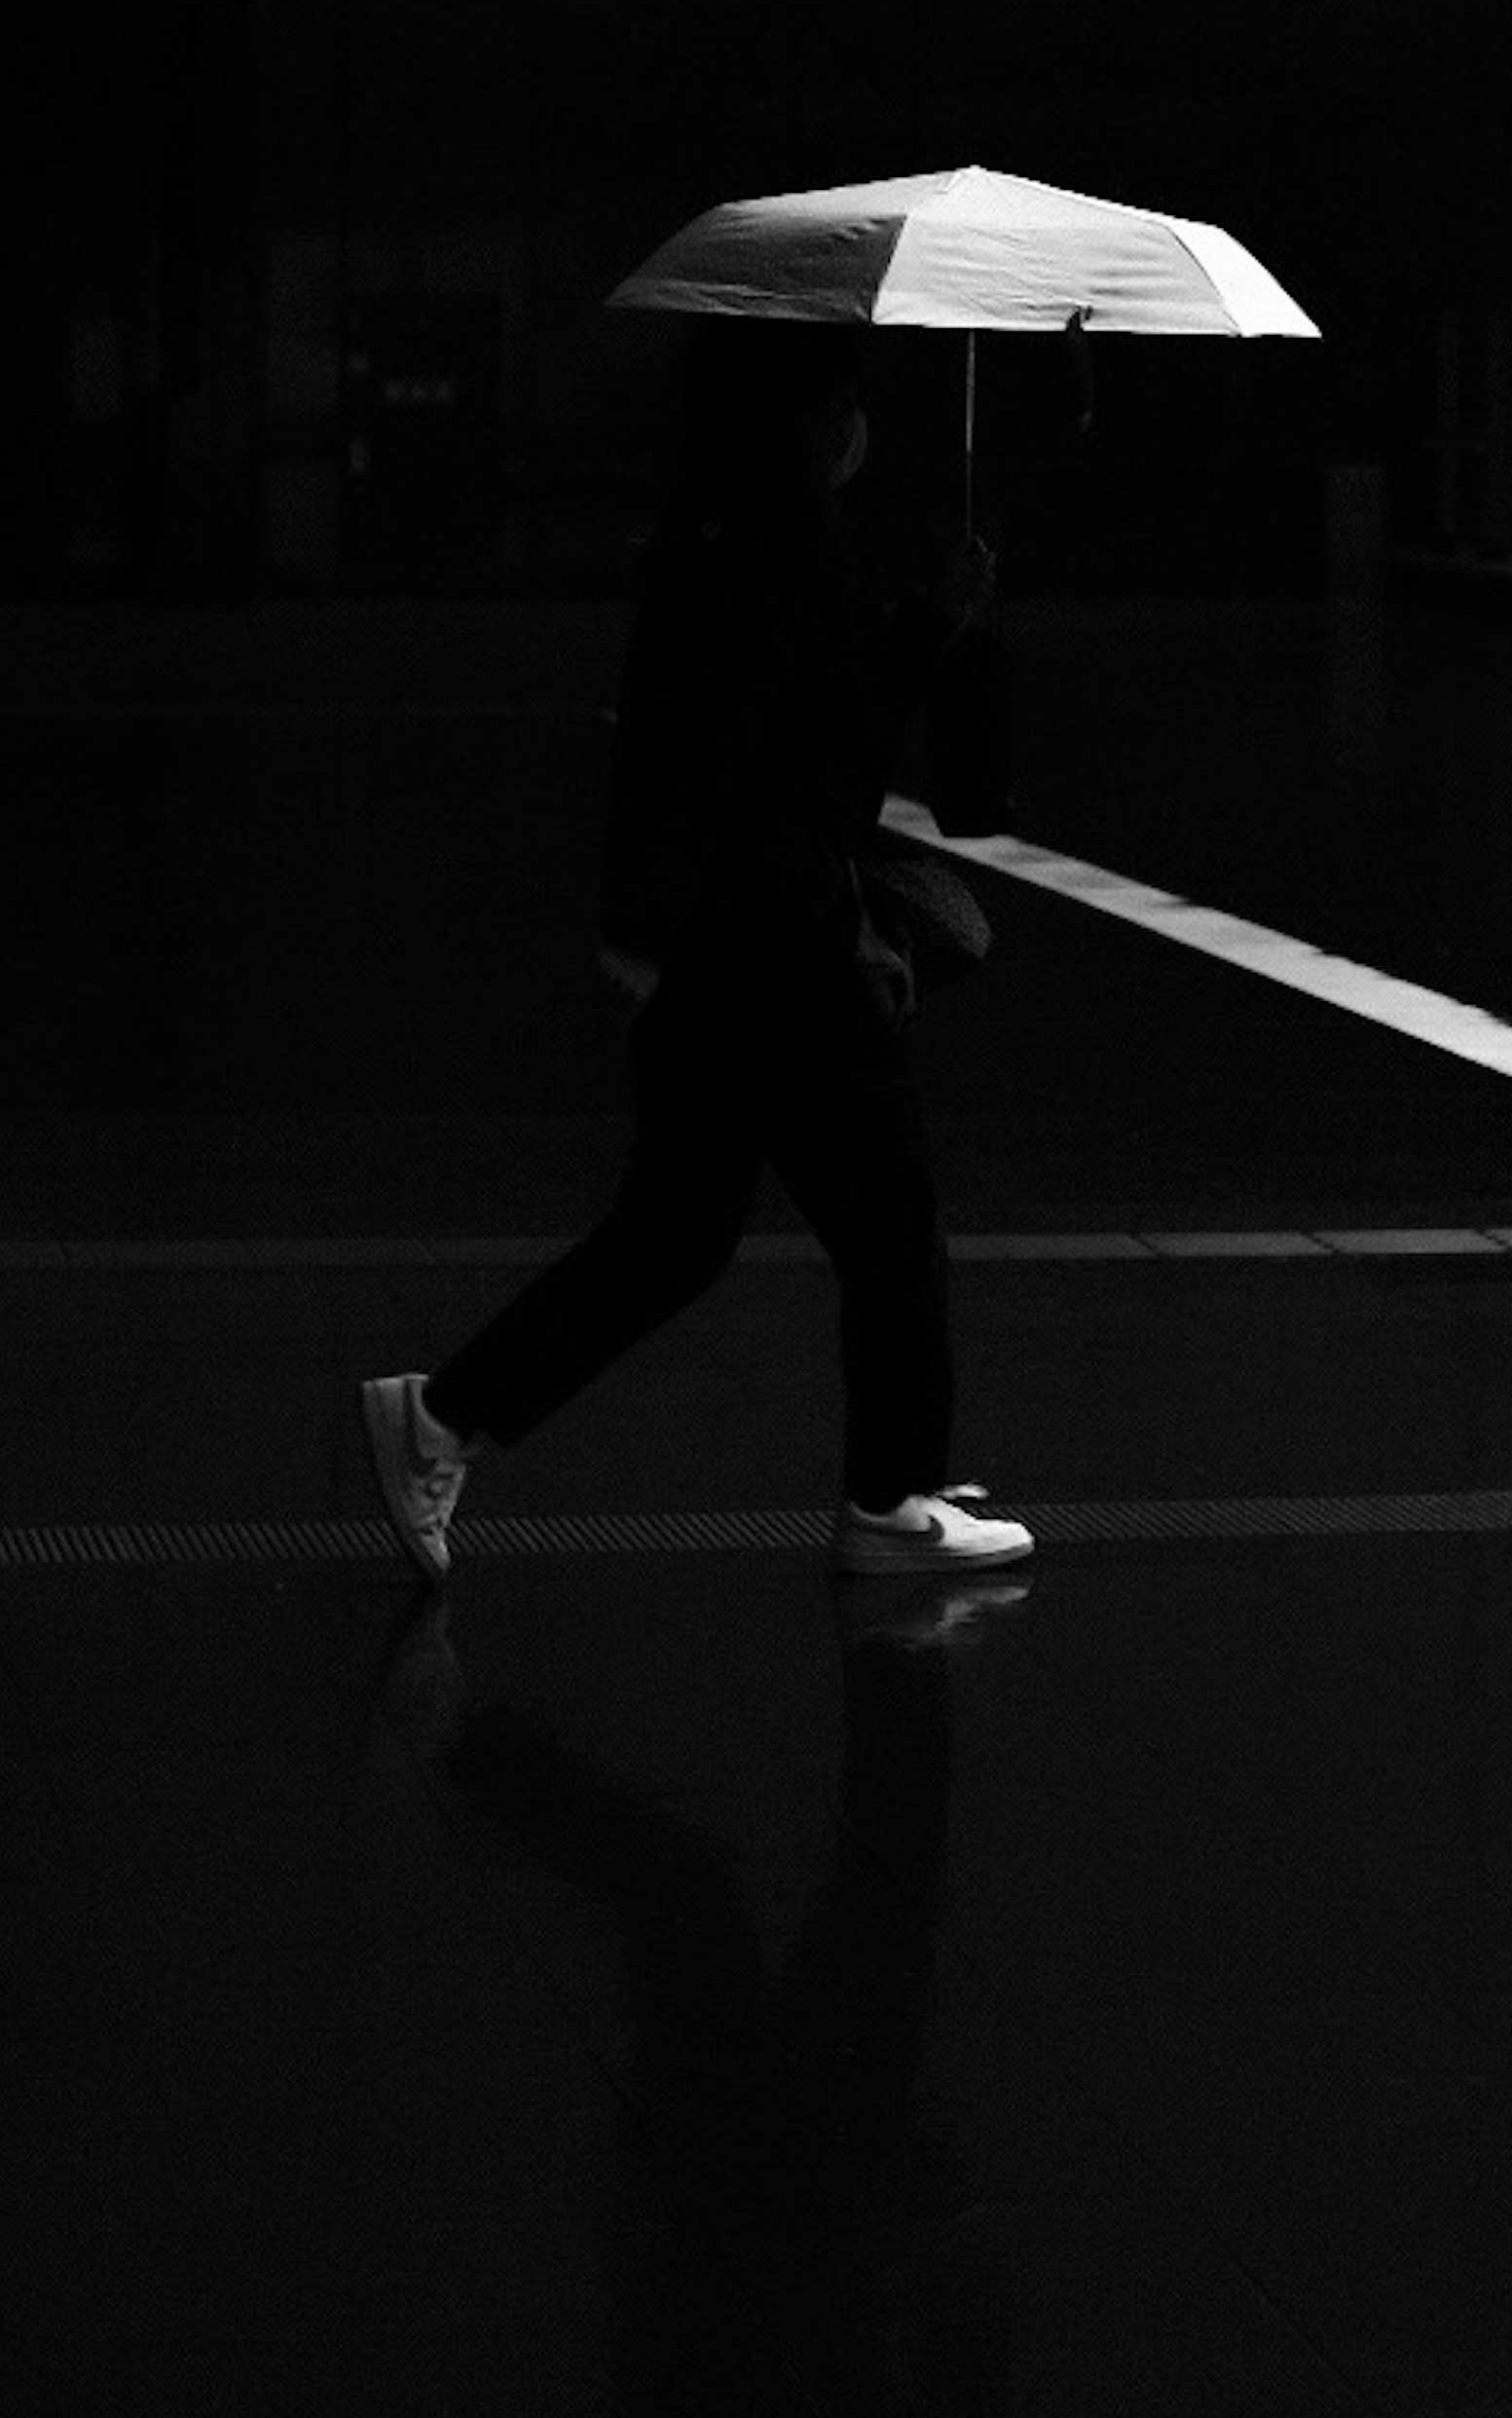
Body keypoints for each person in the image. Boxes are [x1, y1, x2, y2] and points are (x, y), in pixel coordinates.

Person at [360, 320, 1030, 1587]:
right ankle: (889, 1501)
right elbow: (830, 772)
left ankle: (442, 1416)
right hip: (782, 947)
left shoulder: (705, 539)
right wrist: (933, 626)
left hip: (709, 943)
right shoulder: (799, 558)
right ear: (812, 424)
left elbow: (673, 745)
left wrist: (638, 924)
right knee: (889, 1222)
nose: (857, 430)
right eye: (843, 406)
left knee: (677, 1228)